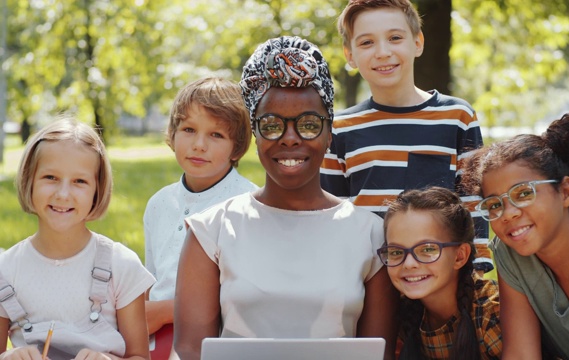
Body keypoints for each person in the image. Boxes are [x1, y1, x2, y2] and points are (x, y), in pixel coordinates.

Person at [174, 36, 398, 360]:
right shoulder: (211, 232)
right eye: (271, 124)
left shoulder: (371, 235)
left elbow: (381, 354)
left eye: (308, 124)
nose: (290, 139)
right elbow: (190, 351)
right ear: (255, 133)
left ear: (329, 133)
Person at [320, 0, 494, 274]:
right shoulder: (340, 127)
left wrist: (477, 266)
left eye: (395, 38)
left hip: (438, 276)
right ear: (349, 55)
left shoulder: (457, 116)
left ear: (417, 42)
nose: (383, 52)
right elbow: (331, 213)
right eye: (366, 43)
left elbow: (473, 200)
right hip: (368, 276)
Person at [460, 113, 569, 359]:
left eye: (523, 194)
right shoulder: (510, 251)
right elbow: (522, 354)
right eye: (493, 204)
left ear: (565, 192)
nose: (508, 214)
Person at [0, 117, 155, 360]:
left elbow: (140, 356)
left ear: (97, 190)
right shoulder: (5, 269)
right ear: (29, 180)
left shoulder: (121, 265)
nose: (63, 194)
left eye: (79, 181)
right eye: (50, 177)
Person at [143, 77, 257, 358]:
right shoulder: (159, 204)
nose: (199, 145)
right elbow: (151, 280)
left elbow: (247, 299)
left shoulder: (249, 206)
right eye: (189, 129)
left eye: (216, 135)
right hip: (158, 344)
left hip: (217, 343)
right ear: (172, 133)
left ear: (238, 146)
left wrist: (165, 311)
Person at [379, 187, 501, 360]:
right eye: (396, 252)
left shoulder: (493, 314)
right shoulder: (402, 317)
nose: (409, 263)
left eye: (427, 249)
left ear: (460, 256)